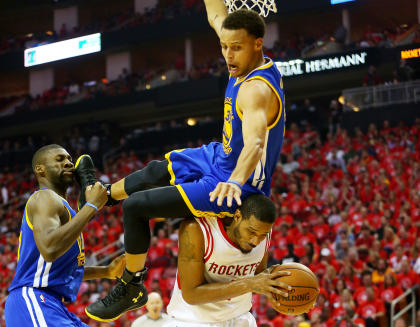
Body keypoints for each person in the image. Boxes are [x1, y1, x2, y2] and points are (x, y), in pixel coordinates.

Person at [79, 0, 286, 321]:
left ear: (258, 44)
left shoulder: (255, 90)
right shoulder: (240, 52)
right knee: (156, 170)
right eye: (224, 47)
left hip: (234, 187)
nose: (228, 55)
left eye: (236, 48)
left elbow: (256, 143)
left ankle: (131, 283)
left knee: (136, 207)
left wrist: (234, 181)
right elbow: (217, 14)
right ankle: (102, 195)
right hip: (221, 156)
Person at [4, 144, 126, 327]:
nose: (69, 163)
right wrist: (91, 206)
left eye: (69, 159)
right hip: (34, 298)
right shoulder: (43, 198)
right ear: (40, 169)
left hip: (53, 304)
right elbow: (49, 249)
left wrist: (107, 271)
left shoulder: (66, 210)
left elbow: (62, 270)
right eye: (60, 159)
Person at [164, 194, 291, 326]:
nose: (256, 241)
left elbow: (258, 278)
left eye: (262, 235)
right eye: (251, 232)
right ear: (237, 216)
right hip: (194, 320)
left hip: (241, 318)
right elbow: (191, 295)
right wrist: (249, 284)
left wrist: (287, 291)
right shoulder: (196, 229)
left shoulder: (262, 232)